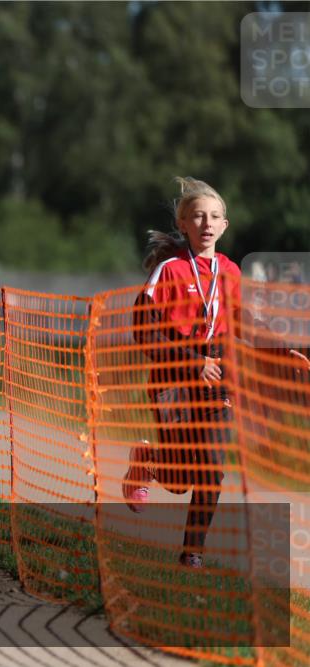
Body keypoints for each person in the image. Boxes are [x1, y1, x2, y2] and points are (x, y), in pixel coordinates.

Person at [123, 177, 309, 568]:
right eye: (198, 216)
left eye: (215, 217)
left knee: (211, 467)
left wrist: (284, 345)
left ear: (225, 225)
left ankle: (192, 556)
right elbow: (142, 331)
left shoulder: (229, 273)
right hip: (173, 376)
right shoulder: (170, 271)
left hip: (216, 382)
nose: (207, 223)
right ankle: (148, 461)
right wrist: (194, 362)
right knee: (177, 481)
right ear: (184, 223)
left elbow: (243, 322)